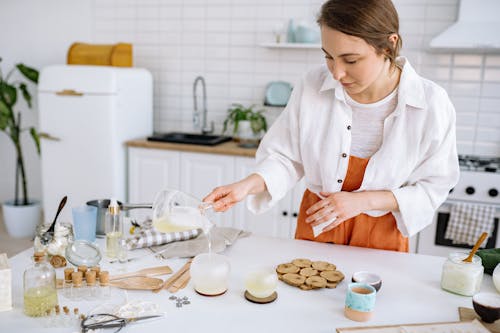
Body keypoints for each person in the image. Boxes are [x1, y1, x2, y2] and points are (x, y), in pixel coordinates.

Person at [203, 0, 459, 252]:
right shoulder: (312, 86)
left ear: (388, 45)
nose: (337, 73)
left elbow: (434, 186)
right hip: (317, 225)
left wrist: (362, 201)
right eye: (329, 57)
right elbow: (285, 158)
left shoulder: (432, 104)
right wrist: (246, 186)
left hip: (382, 235)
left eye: (351, 60)